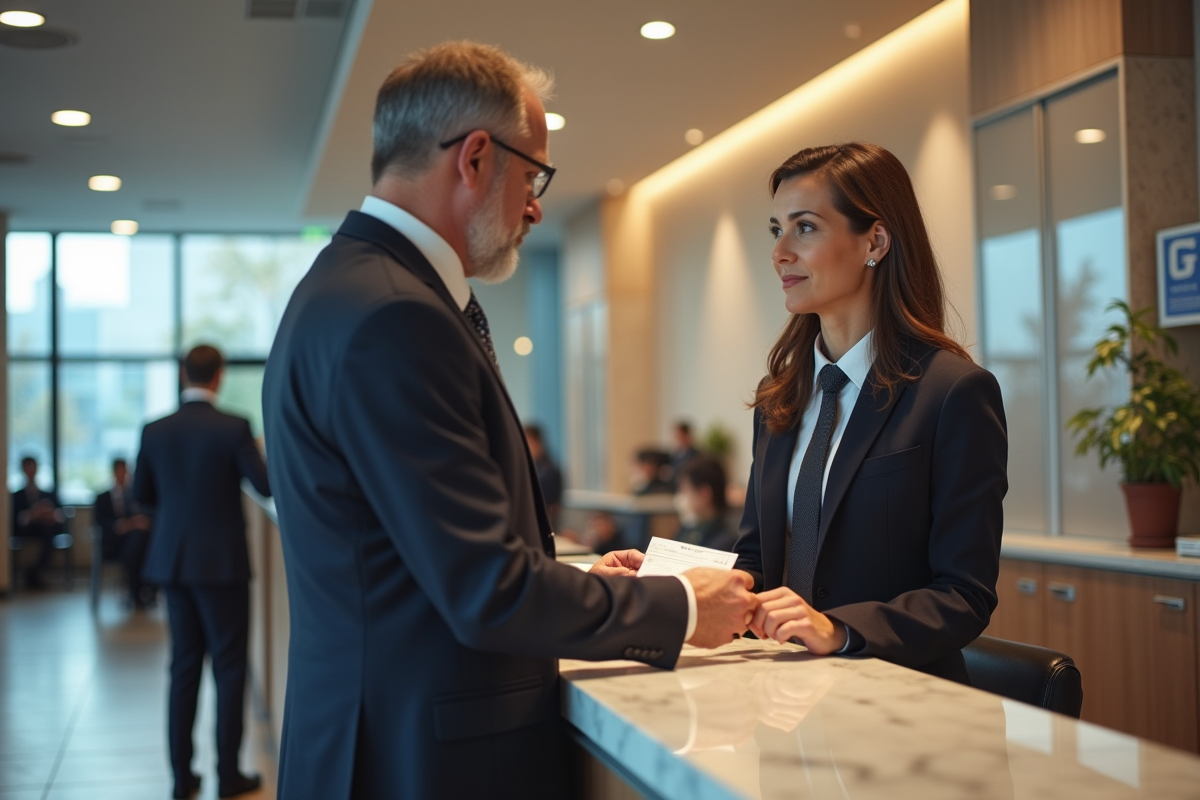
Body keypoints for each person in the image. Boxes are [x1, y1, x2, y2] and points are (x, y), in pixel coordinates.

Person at [262, 41, 755, 799]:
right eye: (533, 175)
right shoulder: (397, 316)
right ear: (476, 158)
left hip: (378, 738)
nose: (535, 206)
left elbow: (416, 558)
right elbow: (486, 592)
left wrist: (573, 575)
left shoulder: (348, 289)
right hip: (423, 761)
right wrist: (682, 604)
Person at [736, 142, 1008, 684]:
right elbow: (755, 561)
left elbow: (964, 593)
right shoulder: (779, 399)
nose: (780, 252)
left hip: (901, 704)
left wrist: (837, 630)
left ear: (875, 241)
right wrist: (668, 581)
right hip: (783, 696)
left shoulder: (954, 392)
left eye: (804, 227)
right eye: (776, 230)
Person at [133, 345, 271, 800]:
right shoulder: (234, 427)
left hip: (173, 562)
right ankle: (228, 774)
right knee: (230, 669)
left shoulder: (154, 430)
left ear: (181, 374)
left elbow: (142, 496)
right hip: (223, 564)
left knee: (184, 668)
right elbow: (264, 485)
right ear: (220, 377)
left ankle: (181, 778)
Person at [93, 457, 154, 608]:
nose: (123, 474)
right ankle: (142, 593)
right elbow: (100, 522)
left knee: (140, 539)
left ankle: (138, 594)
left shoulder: (134, 495)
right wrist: (119, 526)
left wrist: (137, 523)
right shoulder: (103, 498)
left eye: (125, 471)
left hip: (134, 543)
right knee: (138, 551)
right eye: (120, 471)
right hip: (114, 544)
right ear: (114, 472)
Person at [10, 455, 65, 589]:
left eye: (33, 467)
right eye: (27, 467)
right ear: (23, 469)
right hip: (26, 530)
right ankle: (34, 575)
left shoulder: (48, 493)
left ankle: (35, 573)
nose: (31, 470)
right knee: (45, 530)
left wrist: (48, 514)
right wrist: (33, 513)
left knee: (48, 530)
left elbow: (60, 515)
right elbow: (16, 519)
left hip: (46, 529)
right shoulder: (16, 496)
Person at [673, 455, 738, 551]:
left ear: (704, 494)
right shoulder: (689, 528)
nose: (682, 497)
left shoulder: (726, 541)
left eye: (686, 491)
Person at [523, 423, 563, 524]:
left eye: (530, 443)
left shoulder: (549, 471)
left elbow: (551, 505)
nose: (527, 448)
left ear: (538, 443)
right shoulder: (528, 467)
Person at [668, 420, 701, 485]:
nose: (676, 439)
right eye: (675, 436)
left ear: (687, 436)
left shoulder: (696, 455)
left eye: (679, 436)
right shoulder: (674, 455)